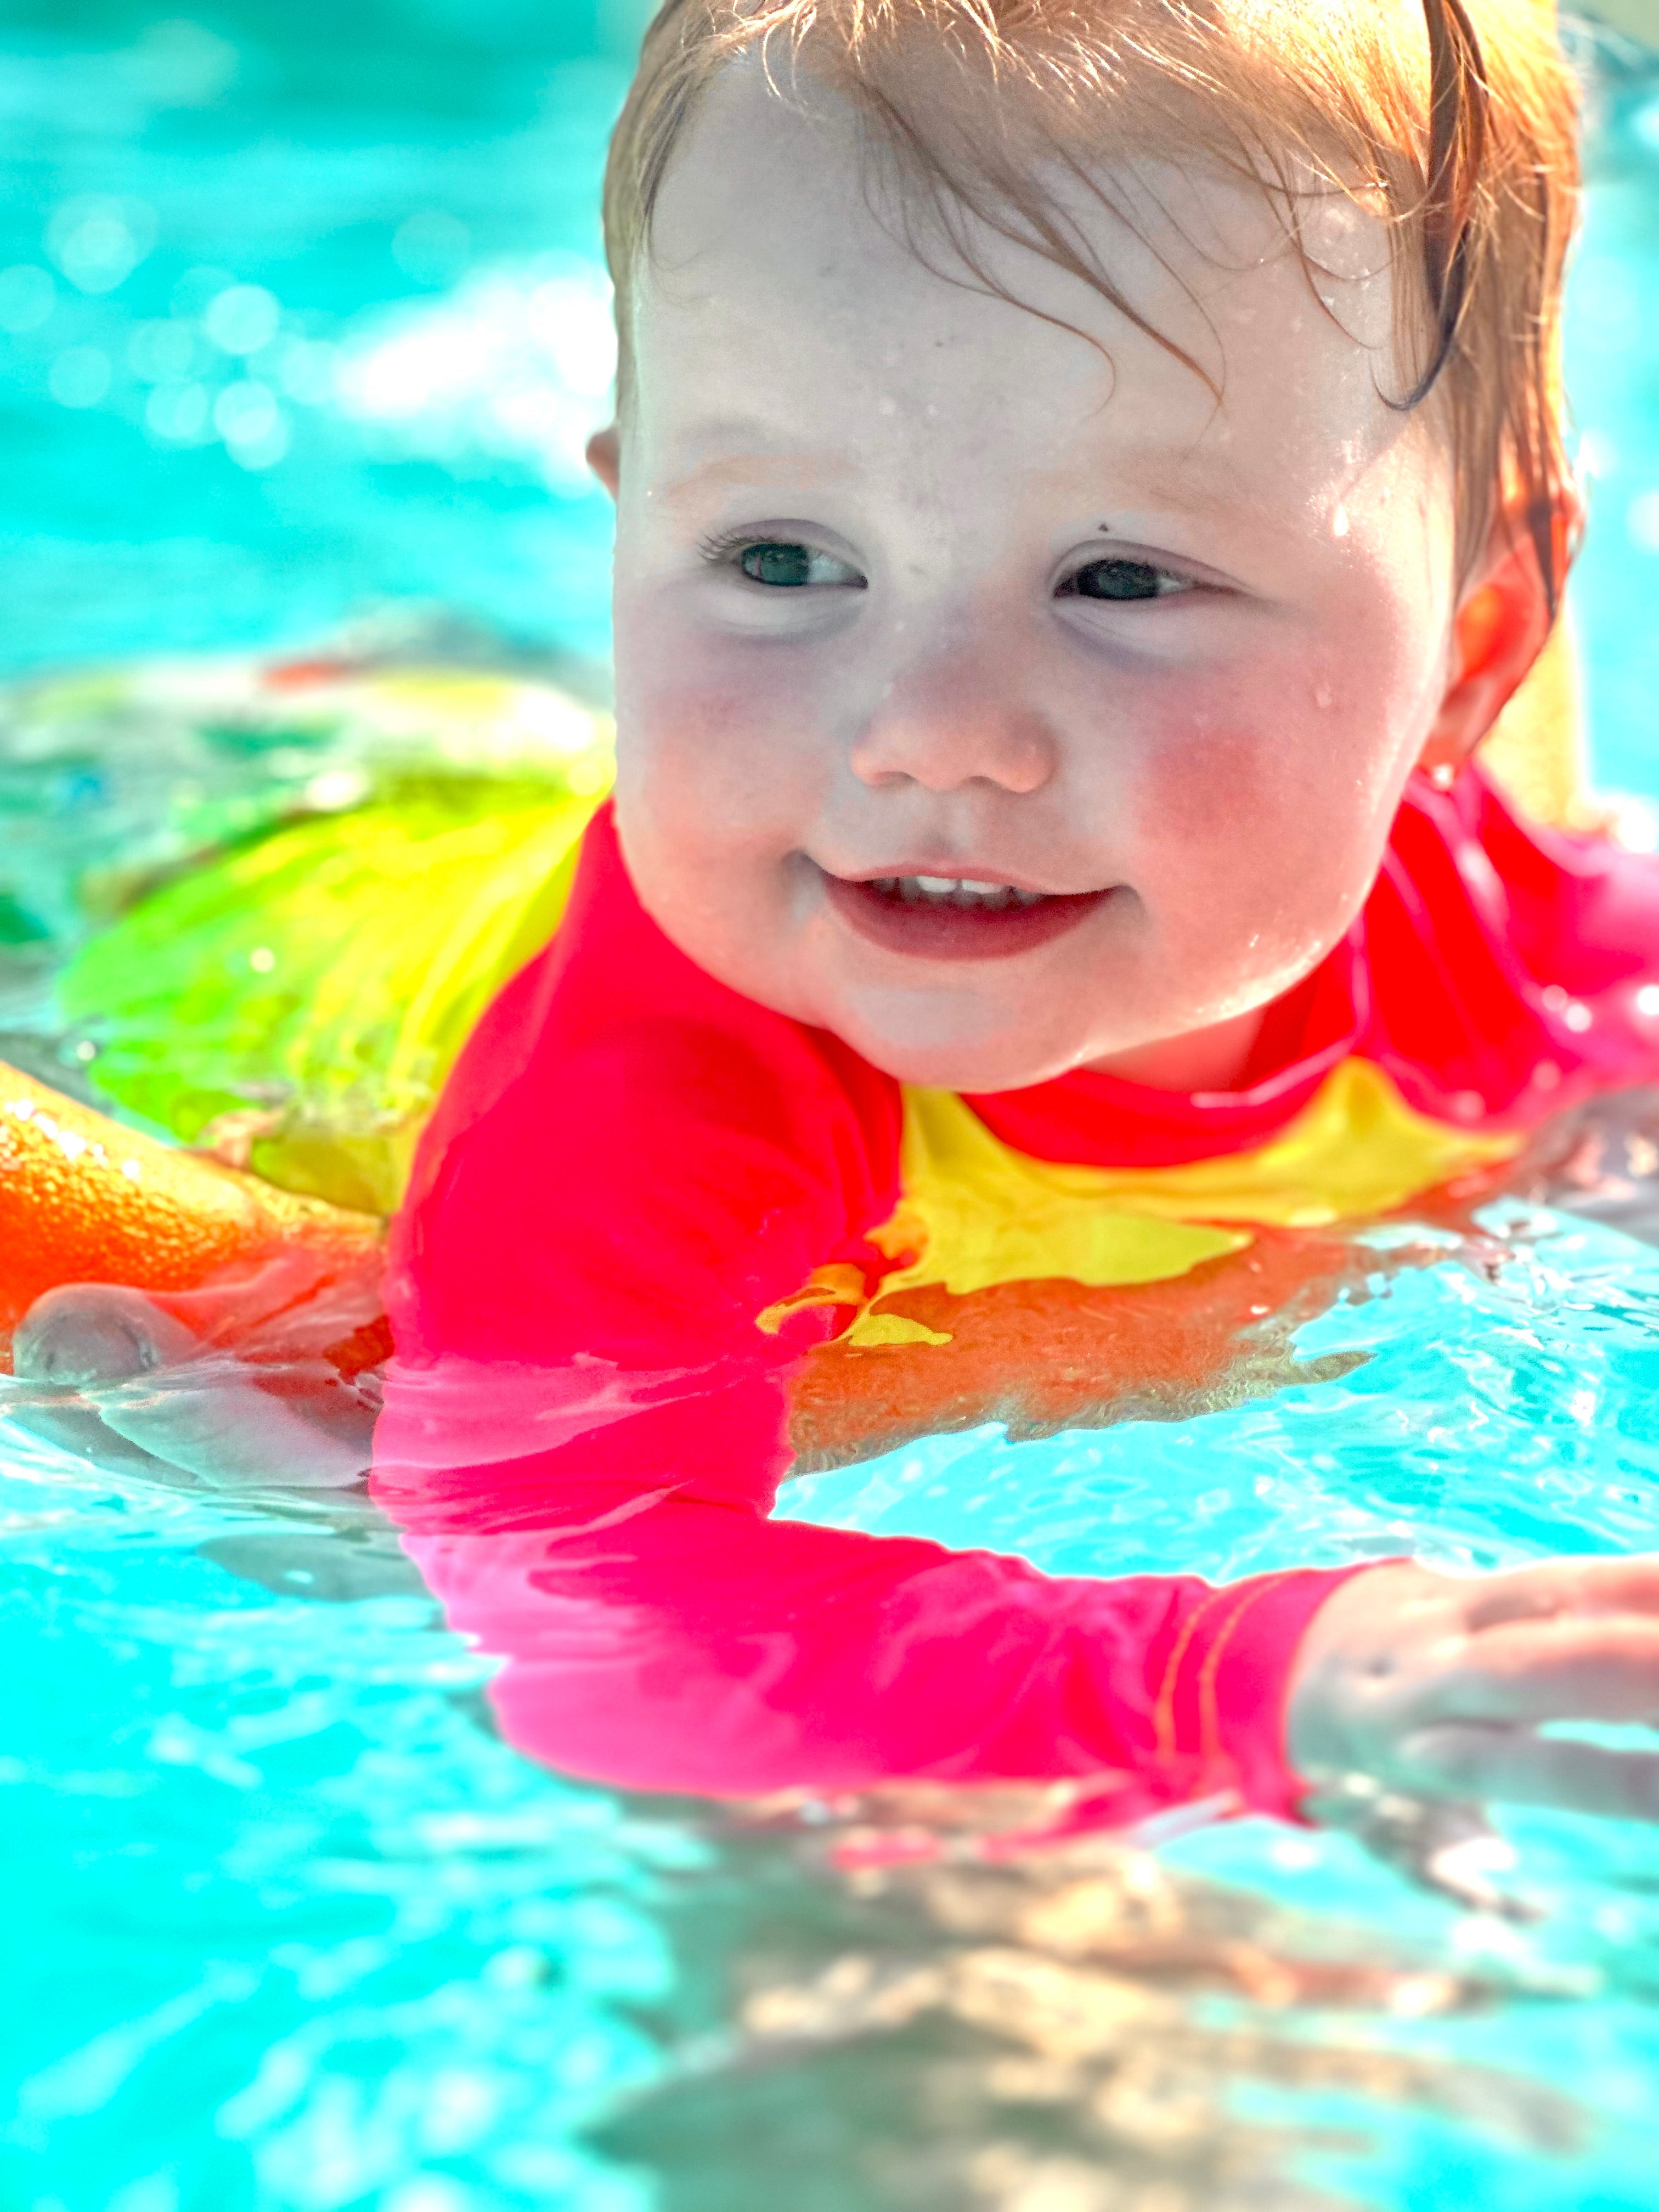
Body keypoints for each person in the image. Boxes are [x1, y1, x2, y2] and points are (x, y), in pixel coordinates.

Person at [18, 0, 1659, 1835]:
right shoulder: (663, 1096)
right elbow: (595, 1613)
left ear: (1477, 658)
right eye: (778, 561)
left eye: (1122, 579)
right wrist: (1237, 1677)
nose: (929, 731)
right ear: (631, 535)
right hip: (193, 861)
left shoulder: (1500, 922)